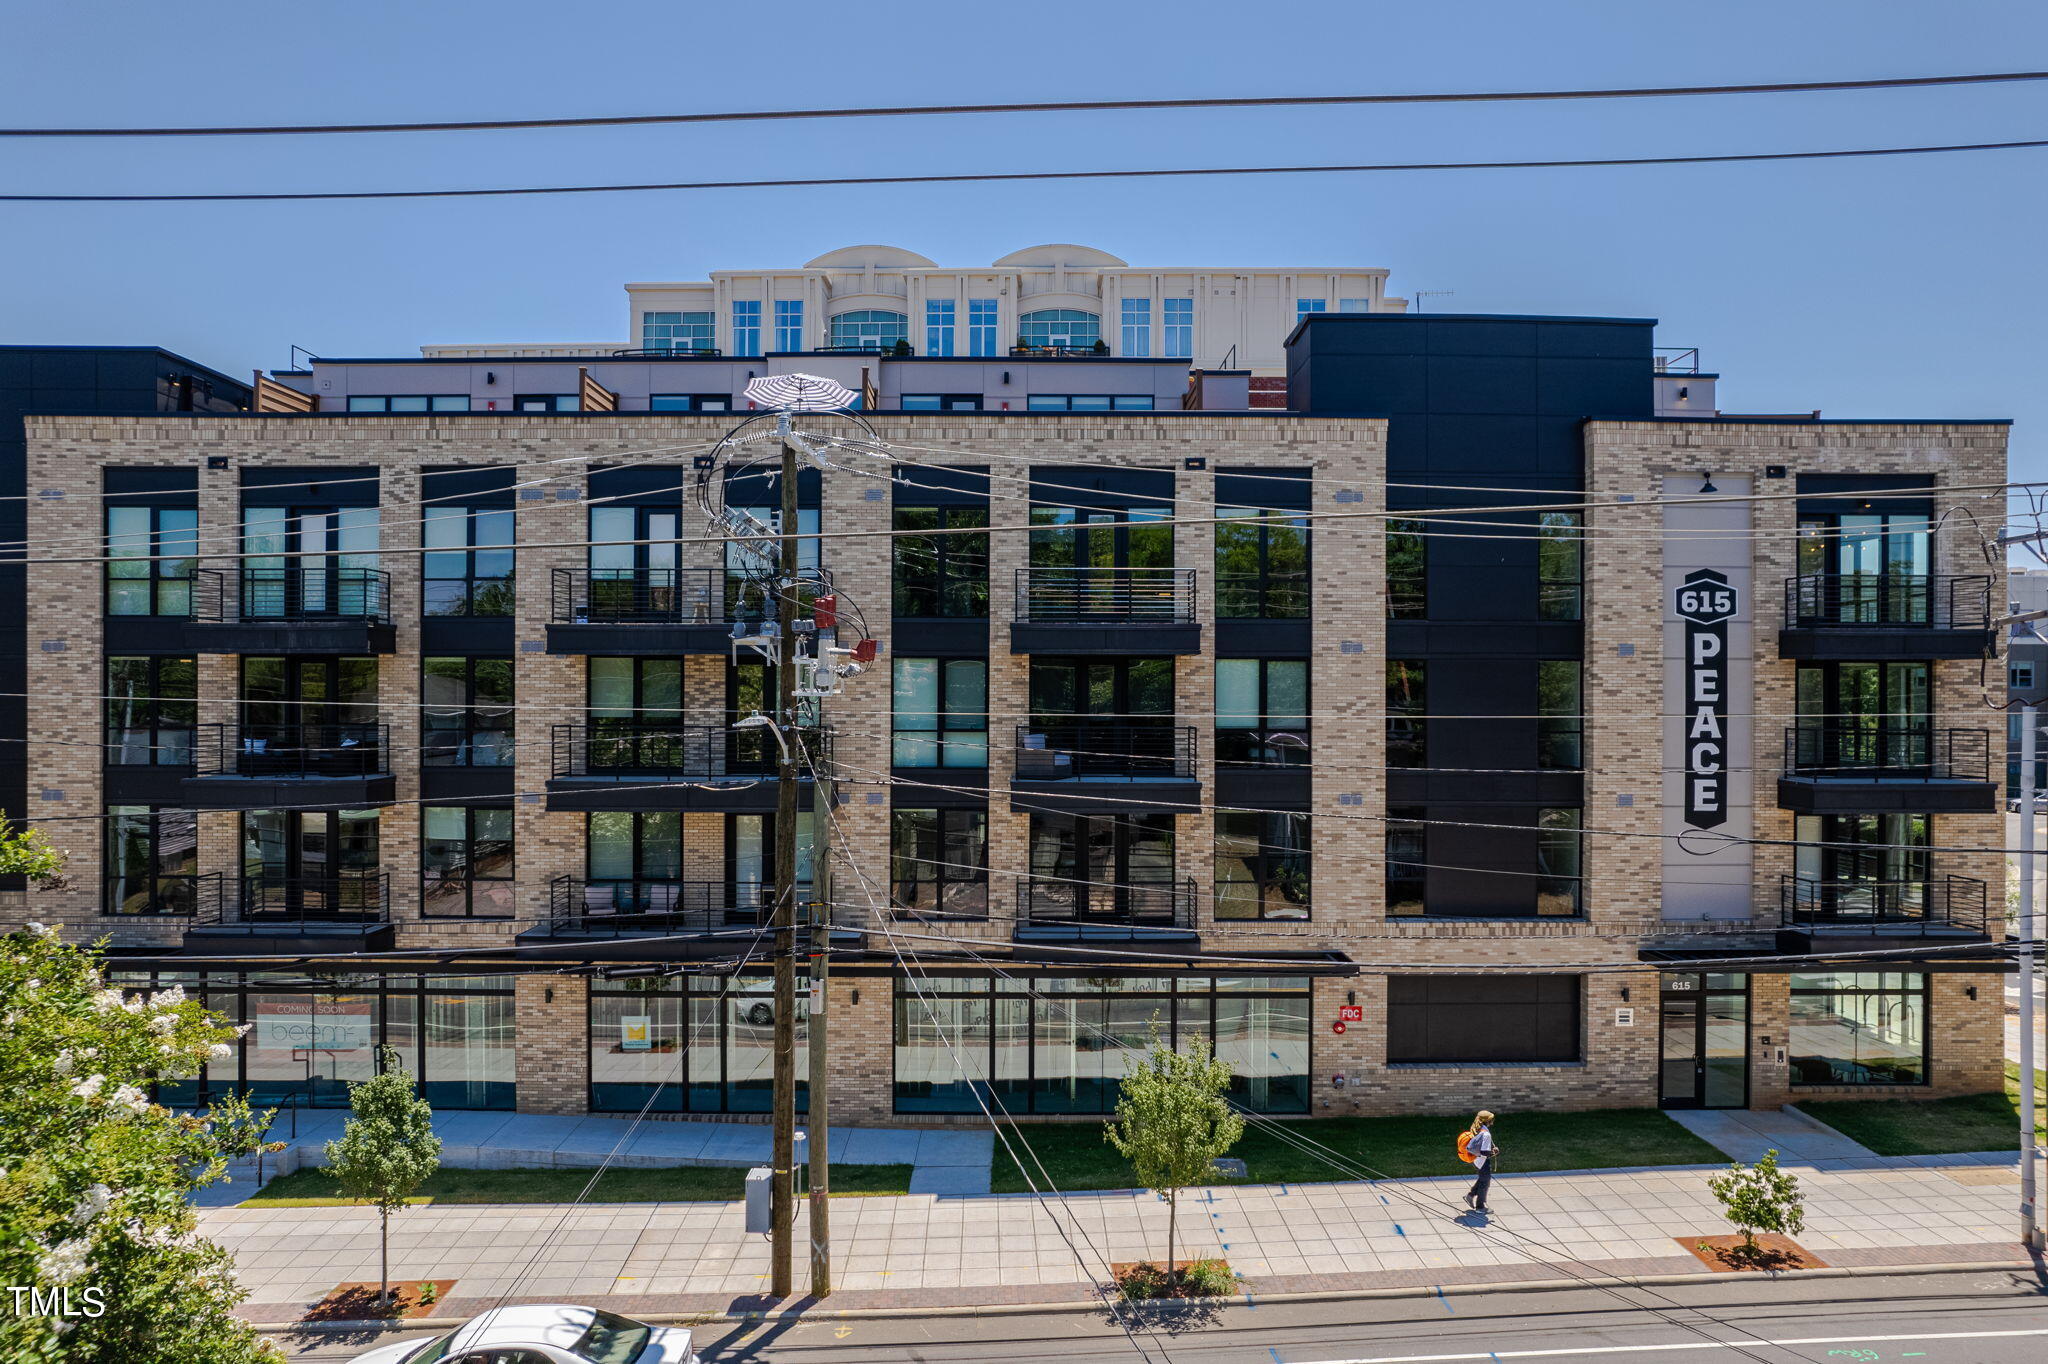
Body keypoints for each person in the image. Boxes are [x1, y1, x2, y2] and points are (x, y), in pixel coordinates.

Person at [1462, 1109, 1499, 1212]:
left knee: (1483, 1179)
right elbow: (1484, 1152)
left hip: (1475, 1160)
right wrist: (1494, 1152)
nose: (1493, 1121)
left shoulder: (1476, 1129)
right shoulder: (1486, 1134)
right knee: (1485, 1183)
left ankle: (1470, 1195)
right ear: (1487, 1121)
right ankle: (1480, 1207)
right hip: (1483, 1162)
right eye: (1492, 1119)